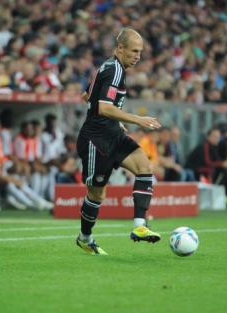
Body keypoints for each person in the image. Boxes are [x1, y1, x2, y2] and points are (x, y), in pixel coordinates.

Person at [75, 28, 162, 255]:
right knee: (97, 195)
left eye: (140, 52)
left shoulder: (110, 67)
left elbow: (87, 97)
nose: (138, 56)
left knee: (144, 167)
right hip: (96, 140)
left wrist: (115, 121)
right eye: (134, 51)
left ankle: (140, 226)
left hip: (112, 134)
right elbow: (103, 107)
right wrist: (136, 120)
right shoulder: (114, 70)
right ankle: (85, 238)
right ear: (120, 48)